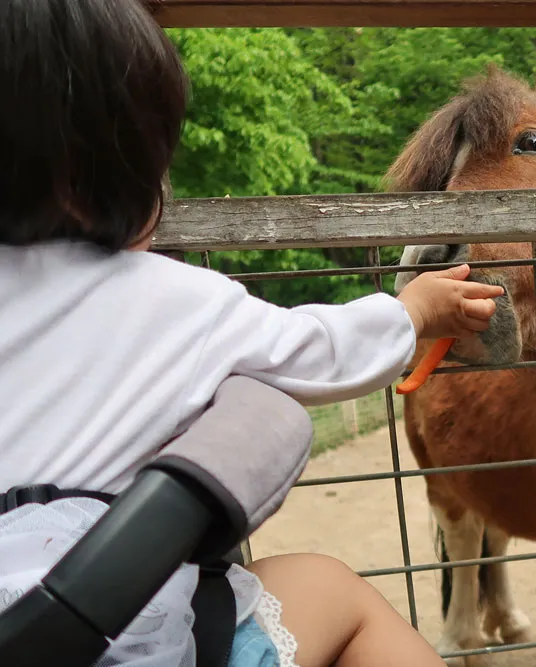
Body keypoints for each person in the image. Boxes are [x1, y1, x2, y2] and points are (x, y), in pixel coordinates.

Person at [0, 1, 504, 666]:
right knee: (336, 592)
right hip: (128, 642)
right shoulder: (168, 298)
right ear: (81, 179)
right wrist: (412, 311)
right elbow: (318, 350)